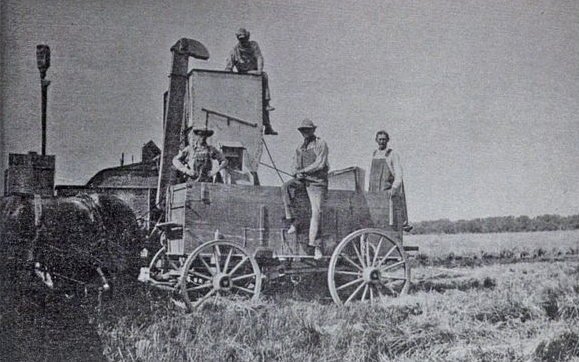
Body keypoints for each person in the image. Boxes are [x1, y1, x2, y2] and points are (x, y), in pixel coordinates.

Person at [281, 119, 329, 260]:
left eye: (307, 130)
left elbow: (320, 163)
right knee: (286, 187)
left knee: (316, 212)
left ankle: (316, 246)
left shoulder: (321, 143)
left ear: (313, 130)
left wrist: (304, 170)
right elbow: (294, 164)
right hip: (303, 181)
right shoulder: (300, 147)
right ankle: (294, 220)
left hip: (317, 183)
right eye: (302, 130)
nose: (305, 133)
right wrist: (295, 171)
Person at [225, 28, 277, 135]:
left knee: (263, 81)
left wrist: (259, 70)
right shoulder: (234, 51)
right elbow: (228, 67)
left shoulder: (253, 45)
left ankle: (267, 121)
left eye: (244, 38)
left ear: (248, 37)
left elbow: (259, 57)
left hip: (253, 74)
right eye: (241, 39)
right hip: (242, 76)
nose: (243, 41)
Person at [369, 130, 412, 232]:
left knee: (389, 217)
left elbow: (398, 174)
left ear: (387, 140)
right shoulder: (374, 154)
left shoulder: (392, 154)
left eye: (384, 139)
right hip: (375, 191)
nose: (382, 142)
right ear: (376, 140)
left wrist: (394, 188)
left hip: (387, 192)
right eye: (380, 139)